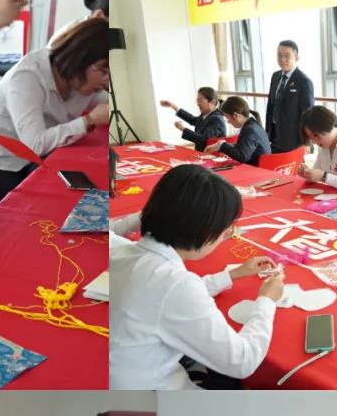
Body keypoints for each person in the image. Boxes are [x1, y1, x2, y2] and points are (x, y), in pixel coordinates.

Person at [109, 164, 283, 390]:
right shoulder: (175, 284)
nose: (226, 235)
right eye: (226, 230)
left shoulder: (122, 251)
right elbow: (243, 361)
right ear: (204, 231)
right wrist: (267, 301)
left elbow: (163, 297)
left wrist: (233, 274)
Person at [0, 17, 110, 226]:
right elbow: (34, 145)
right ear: (80, 58)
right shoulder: (28, 76)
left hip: (33, 163)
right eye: (103, 71)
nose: (105, 81)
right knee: (56, 213)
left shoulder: (80, 80)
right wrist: (89, 120)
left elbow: (106, 104)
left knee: (84, 192)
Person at [264, 40, 314, 154]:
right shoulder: (275, 76)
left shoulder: (304, 81)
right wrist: (267, 132)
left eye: (287, 56)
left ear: (296, 57)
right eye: (279, 55)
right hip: (274, 135)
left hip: (294, 138)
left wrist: (306, 141)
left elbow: (308, 114)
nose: (282, 59)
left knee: (291, 164)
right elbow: (271, 106)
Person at [204, 96, 271, 166]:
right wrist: (222, 145)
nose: (228, 122)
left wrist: (221, 146)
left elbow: (242, 156)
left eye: (228, 118)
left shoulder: (250, 129)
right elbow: (244, 146)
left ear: (235, 115)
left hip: (258, 169)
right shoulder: (252, 124)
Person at [160, 88, 227, 152]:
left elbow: (203, 139)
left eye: (200, 100)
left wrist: (183, 129)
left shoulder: (217, 119)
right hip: (201, 153)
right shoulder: (207, 114)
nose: (198, 104)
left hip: (211, 155)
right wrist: (173, 106)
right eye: (197, 100)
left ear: (212, 102)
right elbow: (192, 120)